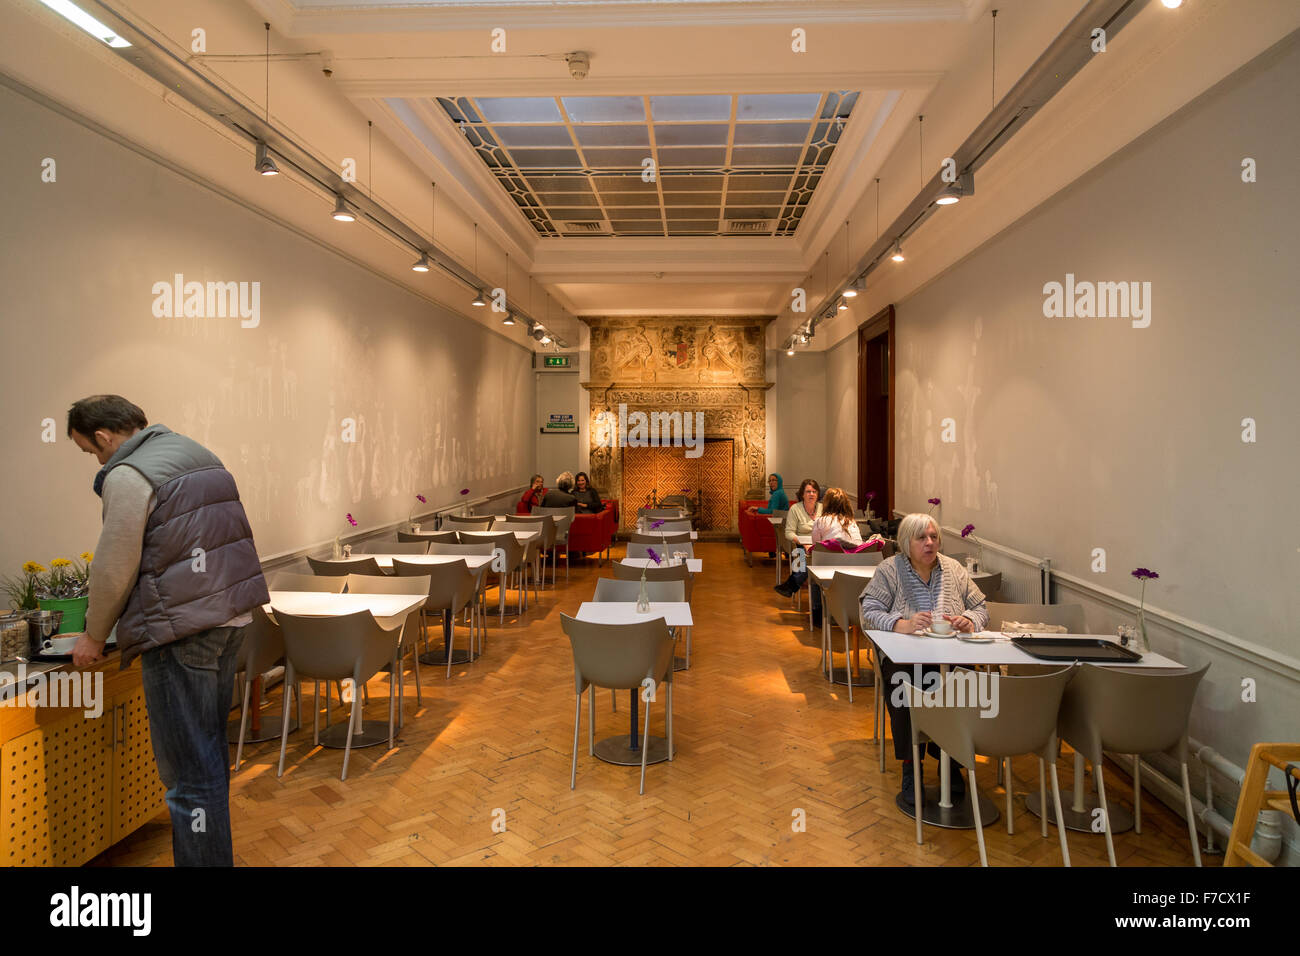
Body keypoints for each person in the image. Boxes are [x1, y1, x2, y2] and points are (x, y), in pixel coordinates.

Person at [64, 395, 268, 866]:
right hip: (229, 618)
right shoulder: (200, 455)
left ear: (103, 437)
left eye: (91, 452)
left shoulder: (129, 474)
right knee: (208, 757)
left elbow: (115, 566)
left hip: (182, 633)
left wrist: (94, 635)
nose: (96, 461)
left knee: (188, 775)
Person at [859, 512, 989, 802]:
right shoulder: (890, 570)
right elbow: (869, 610)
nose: (930, 543)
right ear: (906, 542)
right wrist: (900, 624)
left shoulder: (954, 569)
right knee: (905, 690)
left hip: (952, 655)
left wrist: (969, 620)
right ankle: (911, 763)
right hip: (905, 658)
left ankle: (951, 760)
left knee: (967, 686)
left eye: (934, 537)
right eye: (922, 538)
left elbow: (981, 607)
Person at [774, 478, 824, 622]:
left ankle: (791, 585)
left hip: (820, 546)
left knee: (811, 563)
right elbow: (789, 533)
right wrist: (803, 542)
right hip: (800, 545)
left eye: (814, 491)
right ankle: (816, 611)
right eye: (808, 491)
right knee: (804, 558)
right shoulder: (795, 509)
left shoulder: (822, 508)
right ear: (802, 494)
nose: (811, 494)